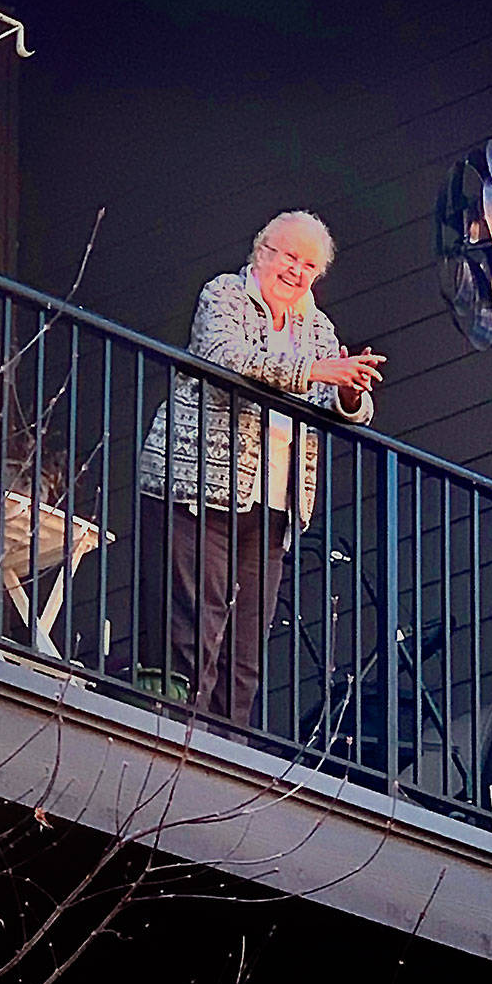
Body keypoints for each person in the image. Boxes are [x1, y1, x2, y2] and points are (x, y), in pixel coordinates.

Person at [137, 210, 385, 724]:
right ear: (262, 252)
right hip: (199, 486)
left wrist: (346, 392)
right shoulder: (225, 294)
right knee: (194, 632)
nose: (297, 271)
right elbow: (225, 357)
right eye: (289, 256)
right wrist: (314, 370)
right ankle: (182, 745)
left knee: (246, 645)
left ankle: (230, 756)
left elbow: (336, 403)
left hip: (273, 503)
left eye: (310, 265)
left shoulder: (316, 327)